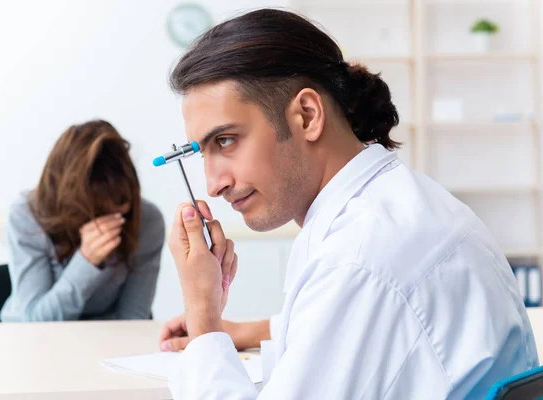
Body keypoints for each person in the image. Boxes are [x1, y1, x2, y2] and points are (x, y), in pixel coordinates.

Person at [158, 8, 538, 400]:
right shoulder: (400, 205)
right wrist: (250, 329)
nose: (213, 184)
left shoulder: (360, 259)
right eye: (201, 152)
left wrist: (203, 313)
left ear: (307, 115)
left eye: (225, 140)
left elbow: (365, 290)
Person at [0, 120, 164, 322]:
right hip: (32, 339)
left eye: (120, 208)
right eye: (97, 211)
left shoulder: (148, 220)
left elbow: (133, 318)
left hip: (108, 338)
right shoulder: (25, 214)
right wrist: (86, 262)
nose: (109, 219)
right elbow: (34, 321)